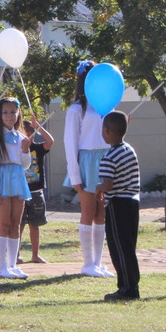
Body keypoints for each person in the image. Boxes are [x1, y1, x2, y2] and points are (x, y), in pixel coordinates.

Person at [64, 60, 112, 278]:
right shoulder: (77, 109)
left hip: (104, 160)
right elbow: (70, 142)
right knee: (88, 211)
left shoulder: (106, 106)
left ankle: (98, 262)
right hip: (86, 162)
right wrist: (75, 175)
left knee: (102, 213)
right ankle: (87, 263)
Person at [0, 98, 32, 280]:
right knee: (3, 223)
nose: (9, 116)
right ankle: (1, 267)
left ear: (18, 114)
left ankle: (12, 265)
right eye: (5, 112)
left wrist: (25, 150)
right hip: (1, 181)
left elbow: (25, 165)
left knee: (15, 224)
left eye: (13, 112)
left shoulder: (21, 138)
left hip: (17, 180)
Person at [96, 111, 140, 302]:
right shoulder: (129, 150)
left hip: (117, 204)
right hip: (132, 201)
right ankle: (130, 285)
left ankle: (127, 288)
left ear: (106, 131)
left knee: (118, 247)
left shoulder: (109, 156)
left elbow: (108, 184)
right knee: (128, 245)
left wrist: (98, 188)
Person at [19, 117, 53, 264]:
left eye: (31, 134)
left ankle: (35, 255)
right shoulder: (16, 150)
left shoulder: (37, 149)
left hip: (36, 192)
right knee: (19, 225)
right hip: (20, 192)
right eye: (25, 134)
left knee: (35, 224)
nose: (28, 138)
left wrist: (38, 126)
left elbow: (50, 141)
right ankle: (16, 255)